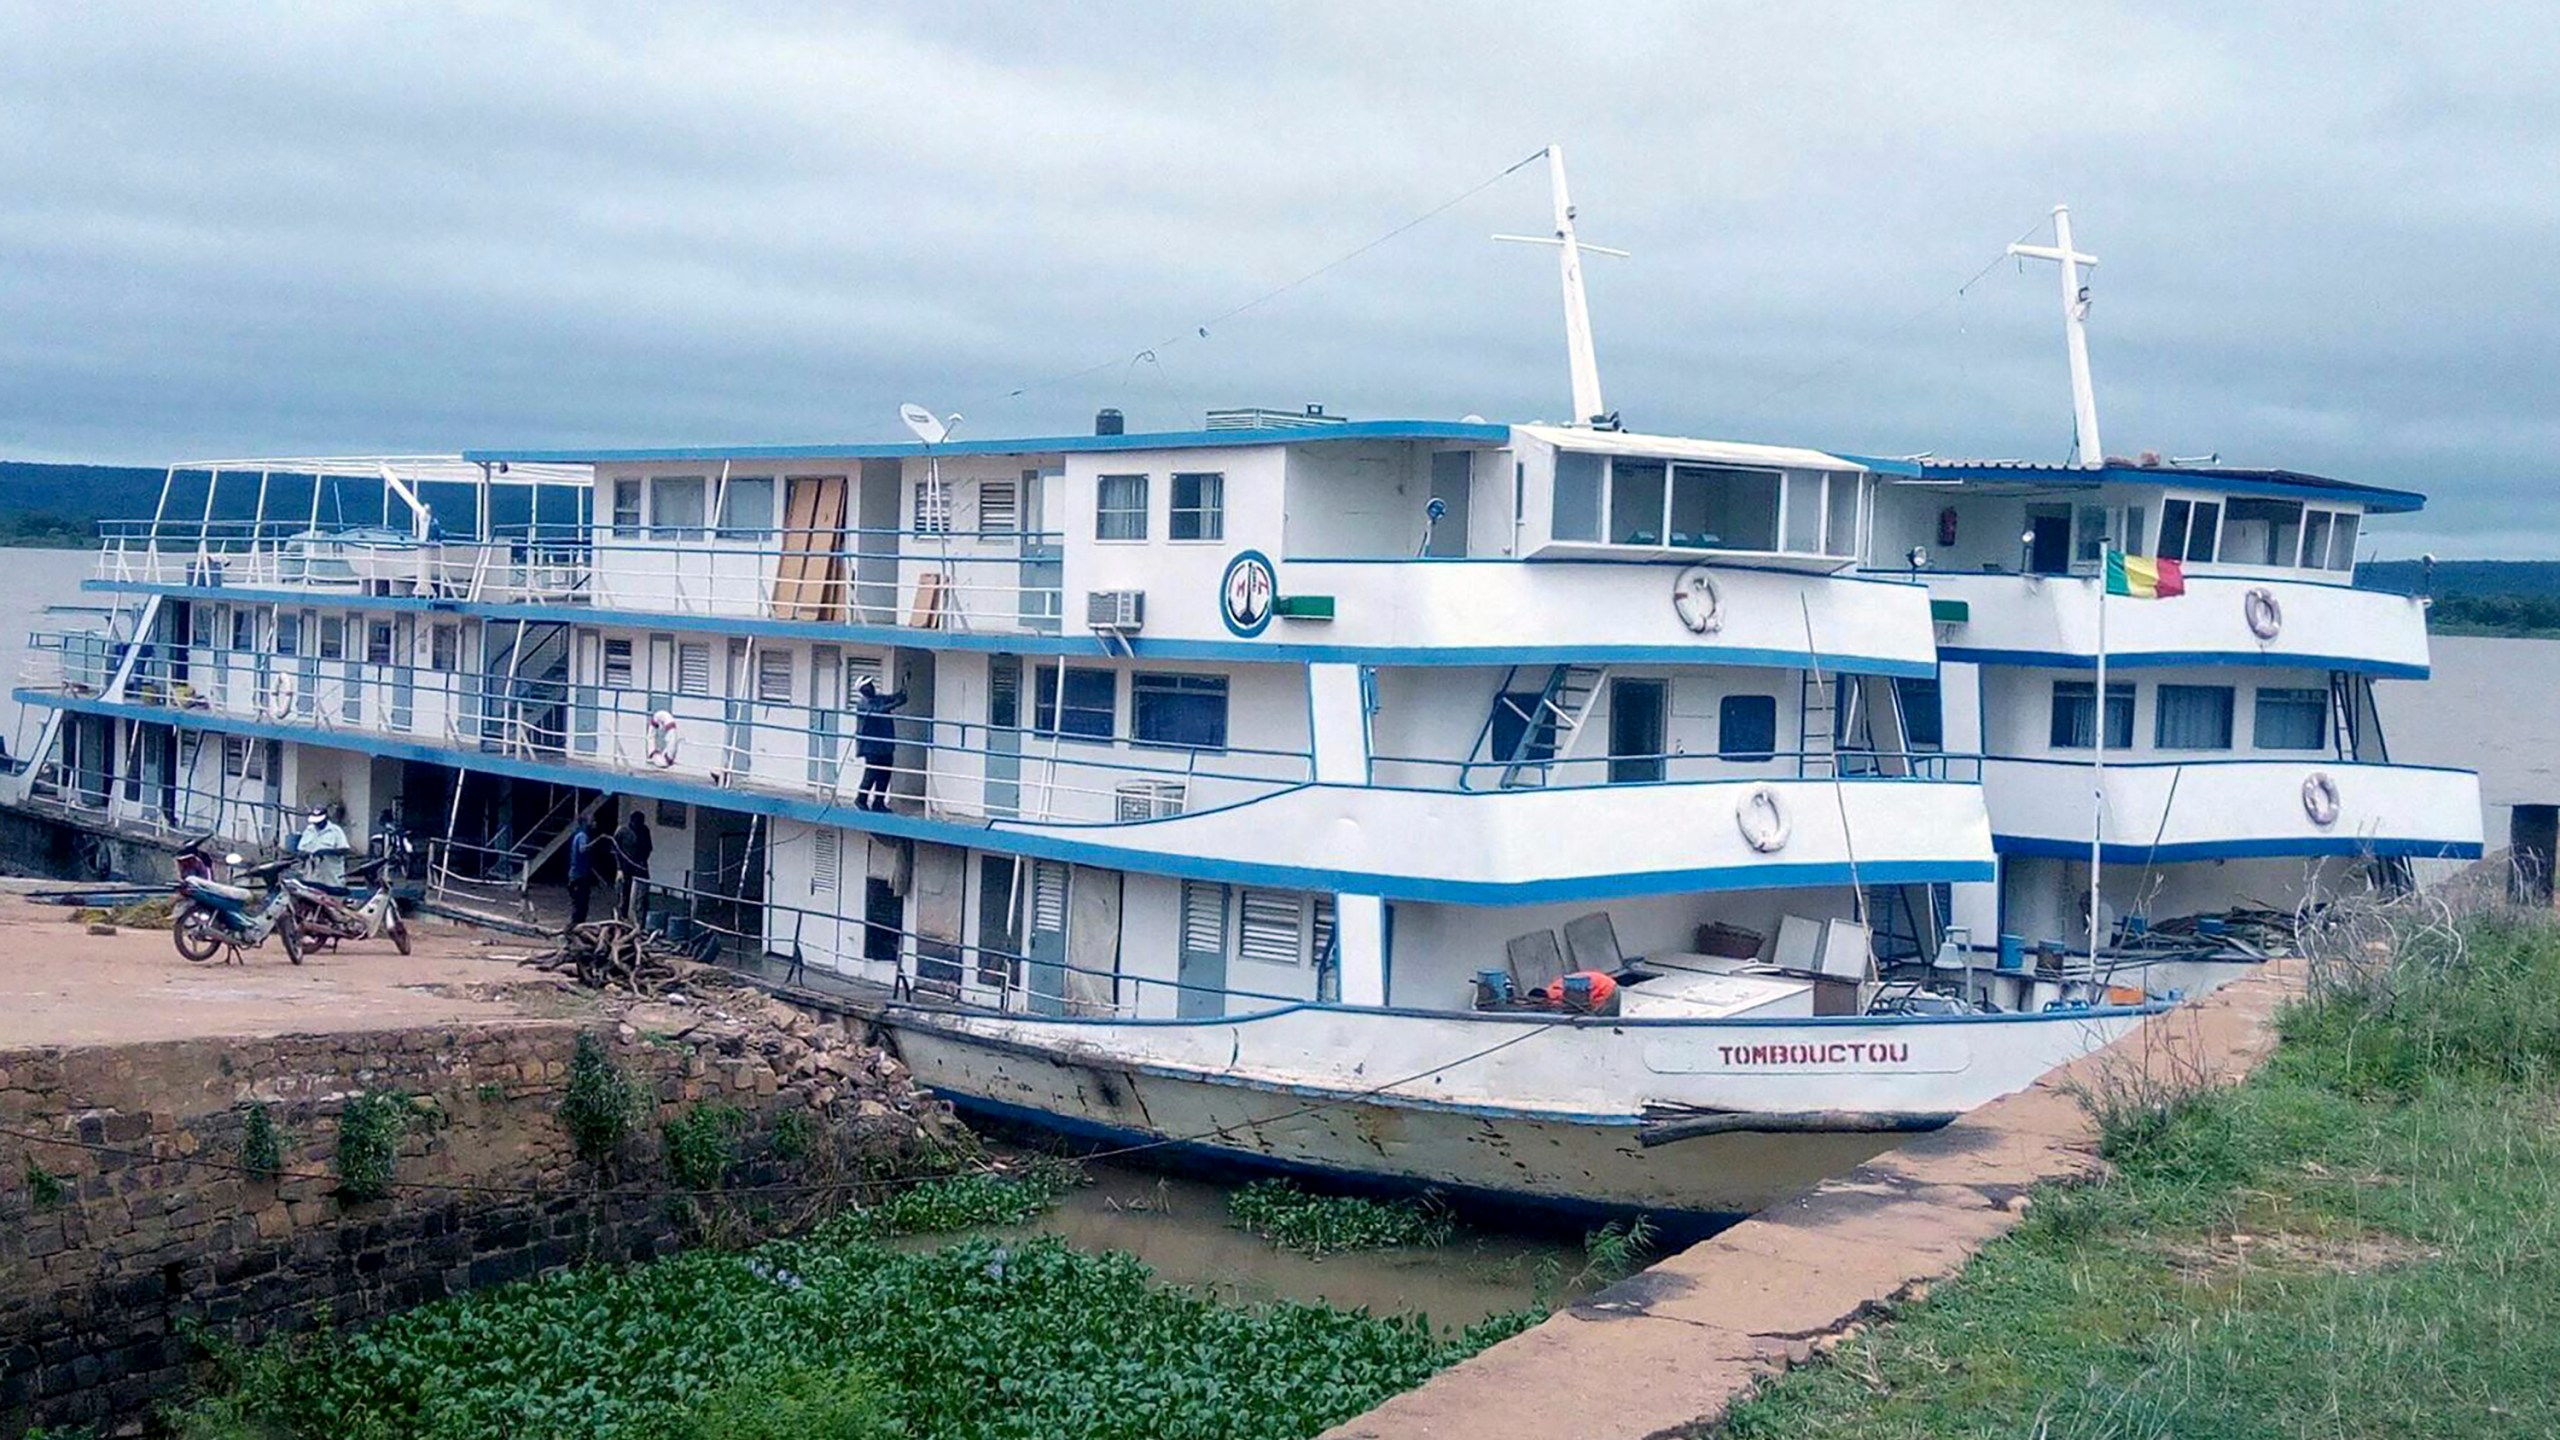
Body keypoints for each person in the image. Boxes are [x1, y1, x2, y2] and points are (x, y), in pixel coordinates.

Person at [852, 676, 909, 813]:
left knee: (885, 774)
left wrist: (902, 693)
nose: (872, 687)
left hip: (885, 744)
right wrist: (895, 704)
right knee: (871, 773)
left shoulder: (878, 699)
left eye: (871, 684)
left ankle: (879, 802)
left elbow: (892, 698)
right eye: (868, 685)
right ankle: (861, 799)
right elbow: (878, 711)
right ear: (863, 690)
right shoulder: (863, 704)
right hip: (871, 746)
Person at [611, 809, 652, 920]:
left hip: (640, 866)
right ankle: (622, 916)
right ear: (632, 821)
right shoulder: (622, 831)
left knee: (642, 893)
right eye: (637, 822)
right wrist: (619, 869)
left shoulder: (644, 831)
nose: (639, 824)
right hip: (625, 867)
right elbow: (615, 851)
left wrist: (643, 861)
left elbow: (648, 848)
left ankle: (640, 916)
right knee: (624, 892)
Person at [295, 805, 350, 886]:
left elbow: (345, 850)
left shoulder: (335, 831)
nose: (317, 824)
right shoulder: (309, 830)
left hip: (331, 877)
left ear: (326, 818)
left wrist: (325, 852)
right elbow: (300, 849)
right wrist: (303, 854)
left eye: (319, 822)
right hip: (312, 876)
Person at [564, 816, 599, 931]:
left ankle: (575, 929)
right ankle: (574, 930)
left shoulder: (578, 835)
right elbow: (582, 849)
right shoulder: (583, 836)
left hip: (577, 875)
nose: (594, 823)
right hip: (579, 877)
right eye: (592, 821)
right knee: (580, 906)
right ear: (584, 823)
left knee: (579, 905)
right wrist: (594, 843)